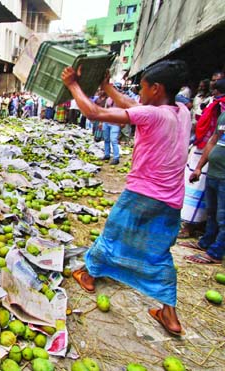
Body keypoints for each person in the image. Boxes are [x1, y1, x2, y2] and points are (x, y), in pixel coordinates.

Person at [62, 60, 191, 336]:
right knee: (159, 254)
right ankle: (169, 315)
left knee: (112, 236)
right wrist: (107, 86)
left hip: (143, 193)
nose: (139, 94)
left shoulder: (155, 115)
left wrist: (72, 84)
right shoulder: (182, 112)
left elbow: (94, 112)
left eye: (143, 88)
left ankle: (88, 275)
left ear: (156, 89)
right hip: (172, 199)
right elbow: (132, 105)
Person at [179, 79, 225, 239]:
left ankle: (211, 244)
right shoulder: (217, 109)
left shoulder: (218, 106)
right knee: (210, 205)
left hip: (217, 169)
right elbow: (212, 138)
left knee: (218, 209)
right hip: (206, 157)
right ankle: (204, 237)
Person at [184, 105, 225, 264]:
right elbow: (213, 141)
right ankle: (206, 243)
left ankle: (215, 253)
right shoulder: (223, 116)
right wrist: (199, 167)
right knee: (212, 213)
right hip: (214, 172)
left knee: (223, 217)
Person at [101, 97, 120, 165]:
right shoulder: (108, 99)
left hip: (115, 123)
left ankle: (116, 158)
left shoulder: (119, 100)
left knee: (114, 140)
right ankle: (107, 155)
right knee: (106, 139)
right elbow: (105, 110)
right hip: (106, 122)